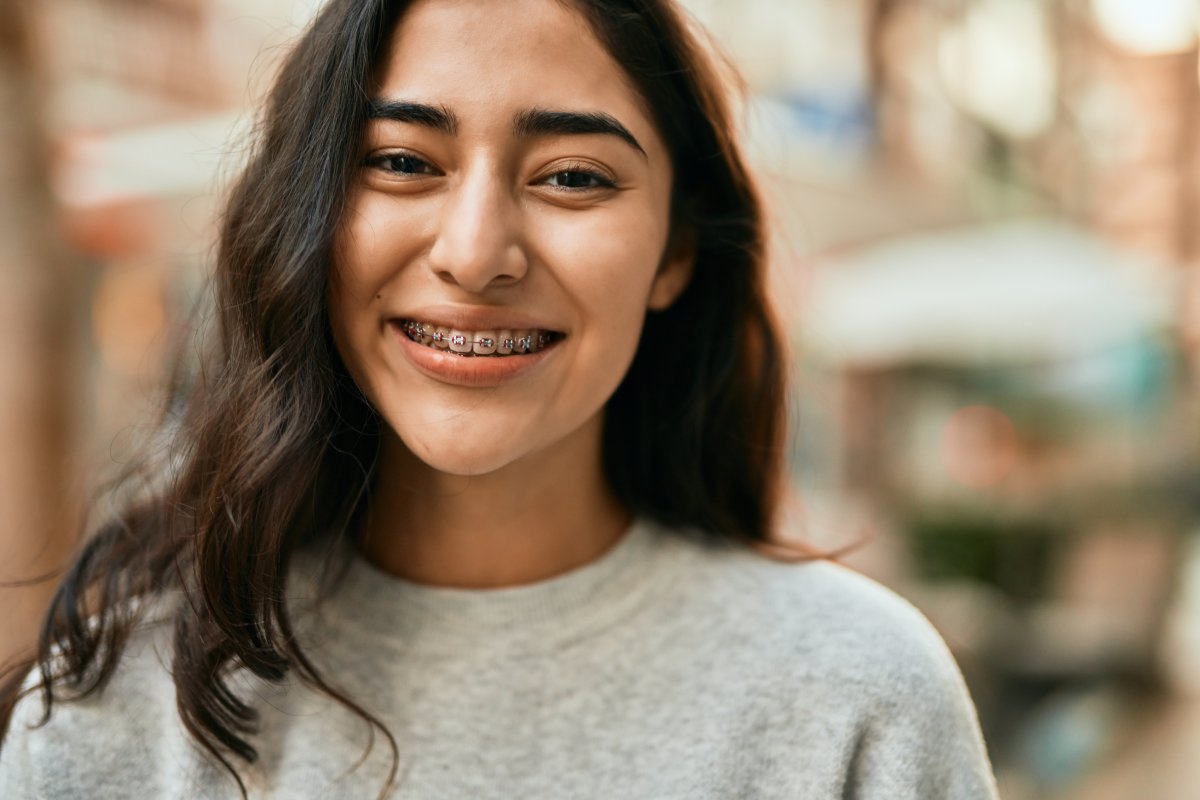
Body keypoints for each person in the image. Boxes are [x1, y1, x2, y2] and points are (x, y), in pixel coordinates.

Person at [0, 0, 999, 797]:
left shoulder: (859, 701)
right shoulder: (119, 709)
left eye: (572, 176)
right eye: (400, 162)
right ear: (309, 216)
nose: (476, 253)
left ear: (676, 250)